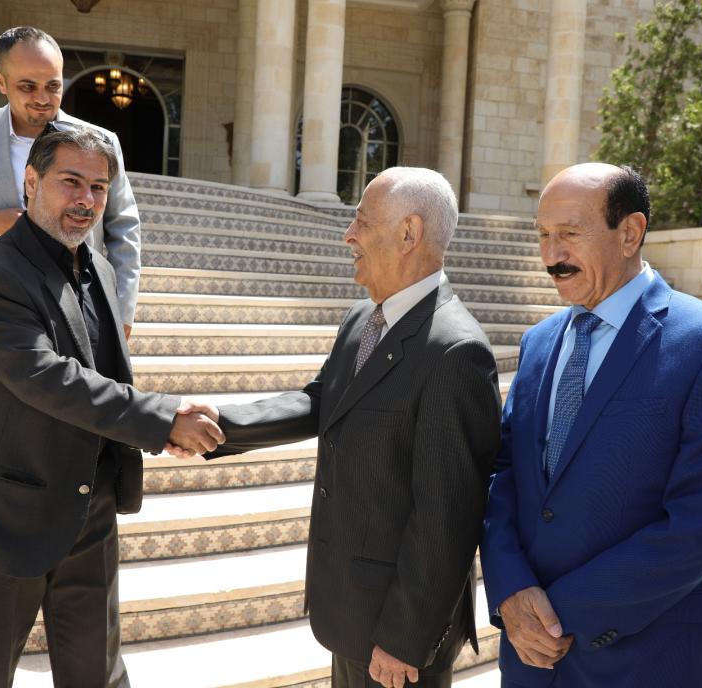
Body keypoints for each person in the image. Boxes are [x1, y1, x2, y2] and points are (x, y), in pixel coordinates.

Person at [0, 125, 223, 688]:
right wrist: (162, 420)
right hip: (0, 517)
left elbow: (102, 377)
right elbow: (48, 378)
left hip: (88, 510)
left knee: (98, 676)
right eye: (71, 182)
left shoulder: (100, 269)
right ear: (31, 182)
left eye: (99, 187)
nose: (86, 199)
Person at [180, 167, 502, 688]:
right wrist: (221, 425)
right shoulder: (362, 319)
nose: (348, 235)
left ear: (409, 233)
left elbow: (447, 517)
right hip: (351, 611)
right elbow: (321, 401)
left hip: (397, 634)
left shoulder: (456, 352)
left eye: (362, 221)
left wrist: (404, 637)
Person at [480, 163, 702, 688]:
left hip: (648, 663)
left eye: (569, 234)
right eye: (543, 235)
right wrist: (511, 591)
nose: (551, 255)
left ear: (630, 232)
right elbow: (504, 476)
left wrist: (559, 614)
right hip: (530, 660)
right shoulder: (538, 342)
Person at [0, 25, 140, 338]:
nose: (42, 98)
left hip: (79, 313)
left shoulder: (102, 142)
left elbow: (125, 229)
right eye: (28, 86)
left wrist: (121, 312)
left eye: (53, 86)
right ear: (1, 81)